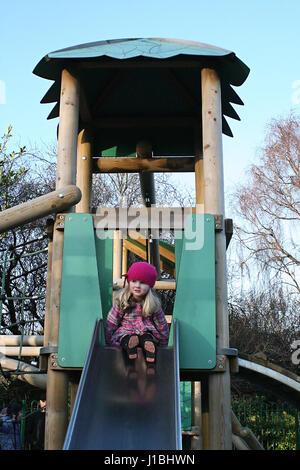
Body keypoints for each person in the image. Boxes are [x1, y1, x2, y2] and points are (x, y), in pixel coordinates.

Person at [105, 262, 169, 363]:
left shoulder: (153, 304)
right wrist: (110, 342)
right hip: (126, 332)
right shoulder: (122, 301)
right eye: (134, 281)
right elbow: (111, 322)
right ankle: (130, 346)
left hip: (147, 332)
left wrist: (164, 346)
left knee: (148, 337)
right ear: (129, 282)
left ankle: (149, 349)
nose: (137, 286)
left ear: (150, 286)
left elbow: (161, 325)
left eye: (142, 282)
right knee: (125, 338)